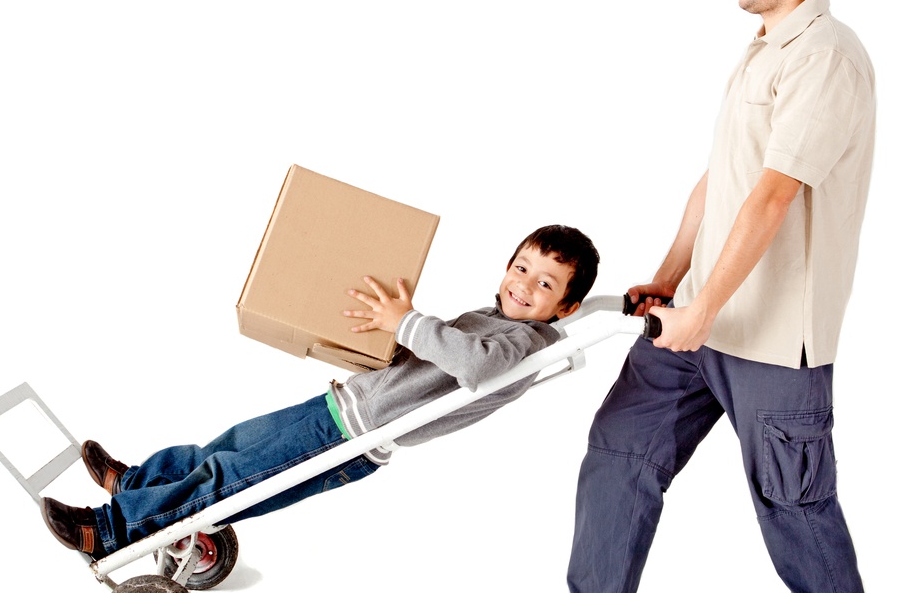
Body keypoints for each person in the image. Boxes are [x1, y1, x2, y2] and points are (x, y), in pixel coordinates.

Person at [493, 0, 882, 593]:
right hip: (697, 317)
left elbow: (774, 196)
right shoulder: (762, 50)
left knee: (792, 498)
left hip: (773, 337)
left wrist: (703, 314)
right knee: (619, 451)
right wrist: (672, 279)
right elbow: (721, 180)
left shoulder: (827, 57)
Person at [40, 225, 600, 561]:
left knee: (229, 480)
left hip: (351, 439)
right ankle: (138, 482)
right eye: (522, 267)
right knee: (225, 446)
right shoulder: (489, 315)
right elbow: (432, 360)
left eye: (545, 283)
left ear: (566, 309)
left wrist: (408, 320)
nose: (524, 285)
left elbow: (473, 367)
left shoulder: (523, 345)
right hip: (339, 406)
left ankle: (111, 530)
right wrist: (386, 337)